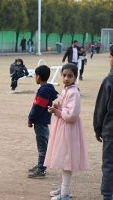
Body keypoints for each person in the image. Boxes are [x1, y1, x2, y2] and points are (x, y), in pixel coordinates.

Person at [45, 63, 89, 200]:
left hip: (69, 129)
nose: (66, 78)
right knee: (64, 158)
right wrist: (57, 104)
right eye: (64, 75)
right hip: (63, 128)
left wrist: (57, 111)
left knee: (67, 160)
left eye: (70, 76)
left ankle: (64, 194)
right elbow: (63, 103)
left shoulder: (74, 92)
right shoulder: (67, 90)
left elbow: (71, 115)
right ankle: (65, 188)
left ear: (75, 77)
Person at [28, 65, 58, 178]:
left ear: (39, 77)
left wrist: (31, 119)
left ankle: (41, 169)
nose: (35, 77)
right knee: (42, 145)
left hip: (40, 122)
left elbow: (37, 108)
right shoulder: (46, 89)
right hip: (42, 121)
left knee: (42, 147)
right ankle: (40, 165)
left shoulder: (43, 91)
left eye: (35, 75)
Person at [93, 45, 113, 200]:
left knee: (109, 164)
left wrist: (97, 128)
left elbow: (101, 108)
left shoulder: (109, 81)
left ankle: (107, 195)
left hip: (110, 130)